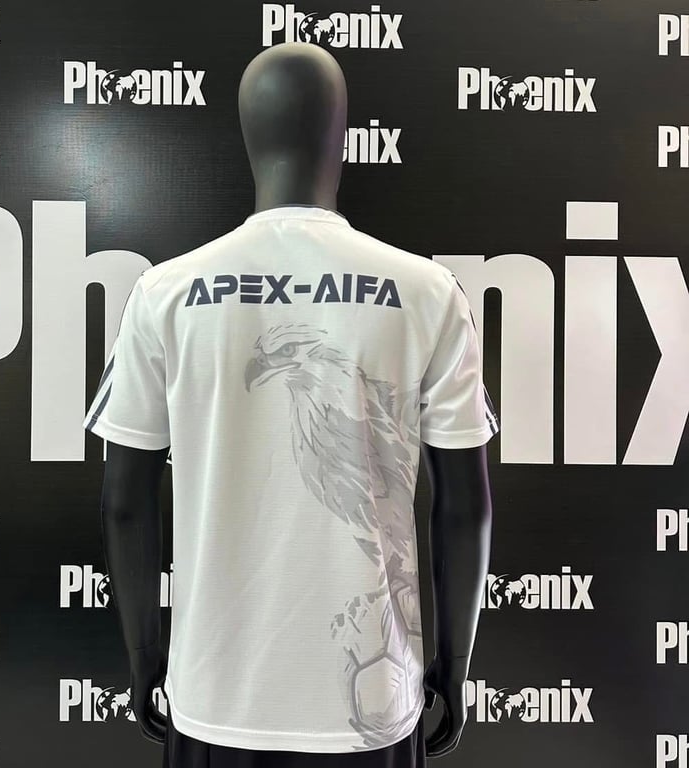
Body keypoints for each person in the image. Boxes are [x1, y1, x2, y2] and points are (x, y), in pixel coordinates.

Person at [84, 41, 497, 768]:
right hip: (371, 706)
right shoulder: (428, 292)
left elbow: (125, 501)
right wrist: (453, 665)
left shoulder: (165, 293)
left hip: (215, 698)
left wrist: (145, 655)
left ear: (252, 136)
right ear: (338, 138)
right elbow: (465, 508)